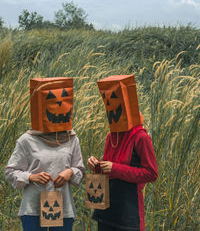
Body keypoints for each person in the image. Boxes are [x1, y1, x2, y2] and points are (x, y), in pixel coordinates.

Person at [5, 77, 85, 231]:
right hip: (32, 208)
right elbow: (10, 172)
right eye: (51, 100)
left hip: (62, 207)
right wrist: (31, 177)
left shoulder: (72, 138)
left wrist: (70, 172)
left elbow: (79, 171)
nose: (59, 105)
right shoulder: (27, 140)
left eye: (63, 100)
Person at [87, 75, 158, 231]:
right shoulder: (111, 137)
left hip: (128, 214)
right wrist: (97, 166)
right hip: (106, 212)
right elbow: (109, 173)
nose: (112, 110)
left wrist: (115, 168)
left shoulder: (141, 138)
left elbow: (151, 173)